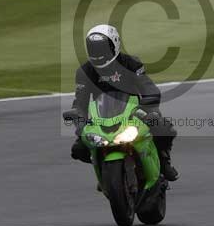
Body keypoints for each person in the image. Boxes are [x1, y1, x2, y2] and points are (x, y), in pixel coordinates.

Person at [67, 24, 179, 181]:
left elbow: (147, 85)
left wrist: (150, 102)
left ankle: (164, 161)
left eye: (102, 49)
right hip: (101, 117)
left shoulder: (130, 63)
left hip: (135, 111)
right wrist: (79, 120)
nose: (98, 54)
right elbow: (80, 101)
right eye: (94, 50)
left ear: (115, 44)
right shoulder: (84, 71)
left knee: (163, 128)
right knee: (79, 149)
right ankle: (104, 169)